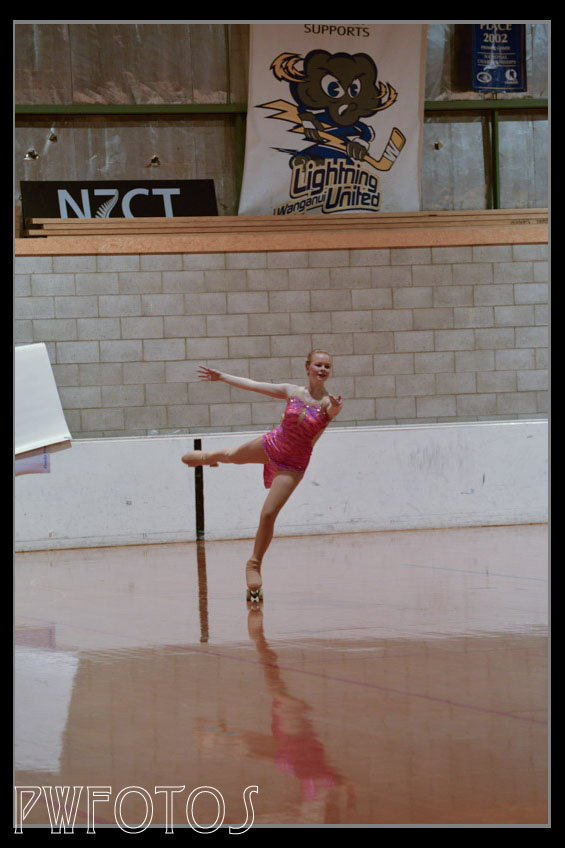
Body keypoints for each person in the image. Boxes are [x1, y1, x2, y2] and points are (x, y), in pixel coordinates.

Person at [182, 350, 343, 602]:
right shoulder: (292, 391)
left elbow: (329, 416)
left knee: (268, 513)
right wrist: (222, 377)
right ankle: (209, 457)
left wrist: (335, 409)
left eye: (327, 366)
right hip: (273, 444)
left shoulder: (328, 403)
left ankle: (254, 563)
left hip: (294, 463)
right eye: (318, 365)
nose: (323, 369)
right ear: (307, 367)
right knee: (233, 455)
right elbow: (254, 385)